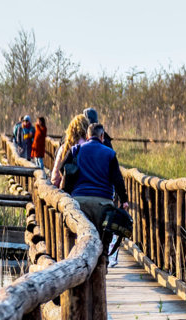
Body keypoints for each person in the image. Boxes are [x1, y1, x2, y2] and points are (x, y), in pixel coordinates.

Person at [71, 122, 128, 265]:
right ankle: (102, 266)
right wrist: (124, 200)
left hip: (79, 202)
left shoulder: (76, 149)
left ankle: (79, 267)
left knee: (82, 238)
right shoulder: (109, 153)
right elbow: (118, 179)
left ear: (87, 136)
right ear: (102, 136)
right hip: (103, 204)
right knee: (102, 241)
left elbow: (66, 172)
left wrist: (66, 194)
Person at [51, 113, 89, 188]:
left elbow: (55, 178)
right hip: (85, 189)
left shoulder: (64, 148)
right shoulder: (90, 149)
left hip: (67, 192)